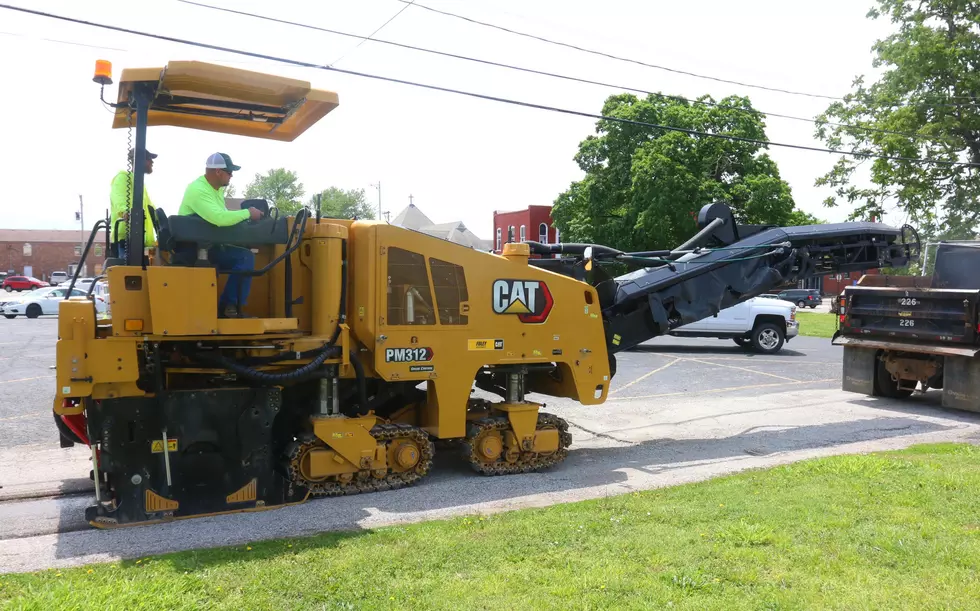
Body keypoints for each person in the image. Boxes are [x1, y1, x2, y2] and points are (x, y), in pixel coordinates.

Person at [177, 152, 264, 318]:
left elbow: (222, 213)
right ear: (218, 171)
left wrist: (243, 216)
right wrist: (247, 213)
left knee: (243, 255)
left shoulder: (213, 190)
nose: (231, 176)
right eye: (230, 172)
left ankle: (229, 305)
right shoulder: (198, 190)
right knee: (245, 258)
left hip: (204, 243)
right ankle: (229, 306)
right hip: (194, 248)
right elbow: (219, 218)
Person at [109, 149, 158, 261]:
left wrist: (162, 221)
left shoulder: (139, 184)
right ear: (140, 161)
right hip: (126, 241)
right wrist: (125, 211)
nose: (152, 162)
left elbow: (151, 209)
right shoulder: (123, 178)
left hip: (140, 241)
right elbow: (119, 198)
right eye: (149, 159)